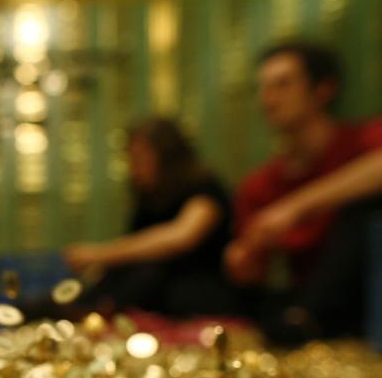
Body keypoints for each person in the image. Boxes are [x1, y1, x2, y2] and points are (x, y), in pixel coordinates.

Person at [225, 41, 382, 342]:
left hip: (362, 300)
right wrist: (244, 258)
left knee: (364, 209)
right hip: (304, 299)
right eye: (263, 87)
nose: (267, 99)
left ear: (323, 89)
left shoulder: (362, 141)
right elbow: (252, 274)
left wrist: (296, 207)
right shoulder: (260, 184)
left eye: (283, 84)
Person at [62, 117, 234, 316]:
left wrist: (100, 254)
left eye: (139, 159)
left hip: (197, 293)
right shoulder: (150, 198)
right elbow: (134, 251)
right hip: (157, 292)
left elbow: (181, 237)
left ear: (166, 156)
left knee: (152, 277)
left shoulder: (203, 187)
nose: (133, 169)